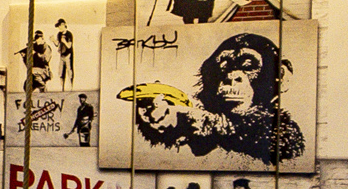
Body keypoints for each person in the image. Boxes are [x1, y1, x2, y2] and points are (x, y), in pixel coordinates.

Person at [117, 30, 303, 166]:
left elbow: (268, 141)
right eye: (224, 66)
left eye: (248, 66)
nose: (231, 76)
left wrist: (213, 123)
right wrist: (159, 119)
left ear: (280, 78)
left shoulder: (282, 134)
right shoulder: (199, 110)